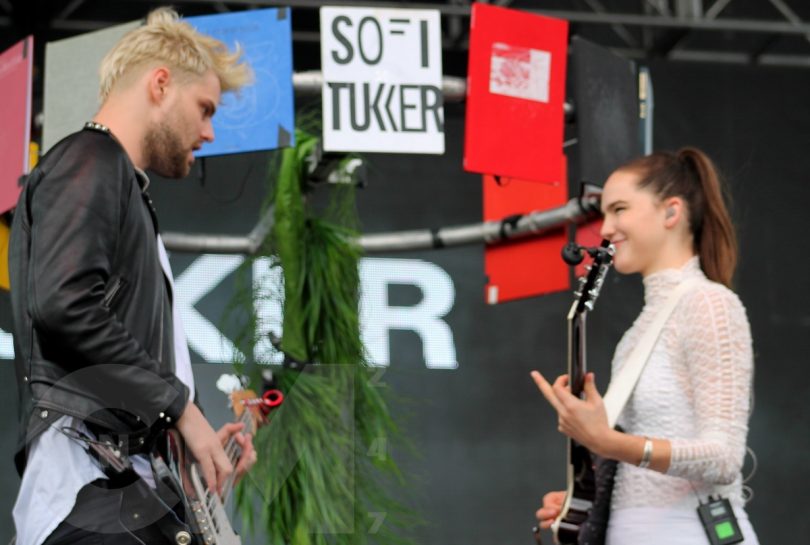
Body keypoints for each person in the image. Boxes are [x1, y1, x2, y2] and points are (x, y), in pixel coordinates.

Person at [9, 8, 256, 545]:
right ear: (161, 83)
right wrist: (178, 408)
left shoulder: (117, 182)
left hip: (116, 494)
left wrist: (190, 442)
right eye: (205, 109)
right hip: (91, 491)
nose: (209, 132)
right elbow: (64, 304)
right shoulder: (90, 158)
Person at [531, 148, 759, 544]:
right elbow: (637, 461)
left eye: (619, 209)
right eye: (604, 213)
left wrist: (608, 441)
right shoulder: (639, 331)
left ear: (671, 212)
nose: (605, 228)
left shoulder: (709, 303)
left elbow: (723, 458)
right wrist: (584, 500)